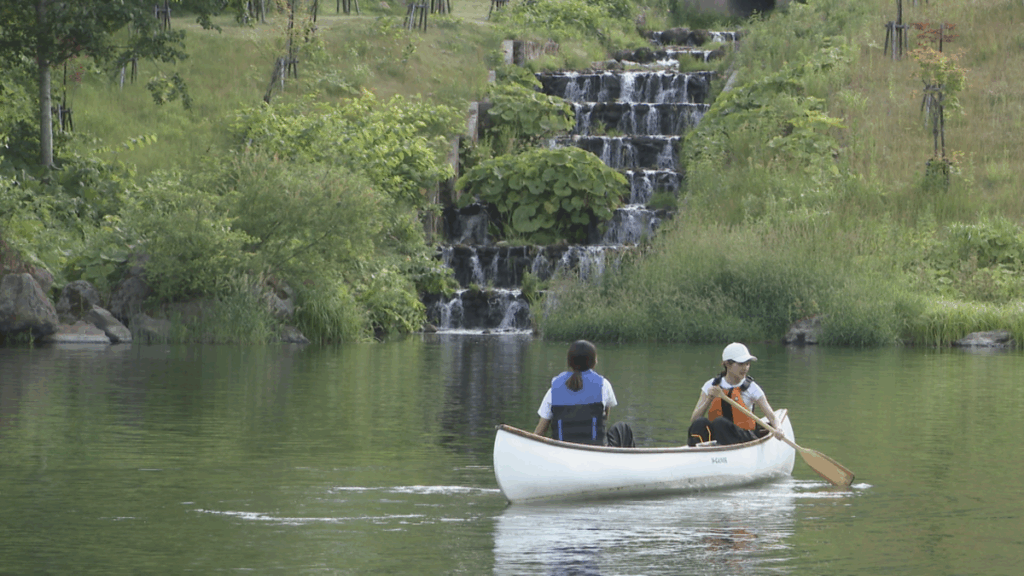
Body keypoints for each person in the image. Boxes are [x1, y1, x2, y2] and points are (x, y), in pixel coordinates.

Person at [533, 340, 636, 447]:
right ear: (594, 362)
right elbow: (604, 418)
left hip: (562, 450)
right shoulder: (603, 385)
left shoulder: (553, 390)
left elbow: (540, 431)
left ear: (569, 362)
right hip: (595, 450)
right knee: (623, 428)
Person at [687, 342, 783, 447]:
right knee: (699, 423)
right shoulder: (711, 385)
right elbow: (694, 419)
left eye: (747, 363)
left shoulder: (752, 388)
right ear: (727, 364)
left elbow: (771, 416)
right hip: (718, 437)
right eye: (741, 364)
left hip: (743, 437)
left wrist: (778, 429)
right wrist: (709, 398)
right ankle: (697, 453)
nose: (745, 368)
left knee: (720, 423)